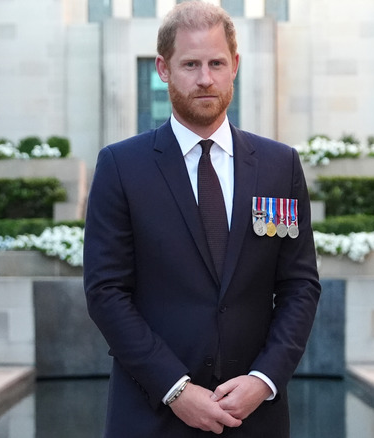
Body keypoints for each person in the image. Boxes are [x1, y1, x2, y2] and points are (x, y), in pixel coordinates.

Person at [83, 1, 320, 436]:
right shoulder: (121, 166)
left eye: (216, 63)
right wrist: (175, 389)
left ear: (236, 66)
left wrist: (263, 380)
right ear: (163, 68)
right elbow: (106, 292)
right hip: (151, 414)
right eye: (190, 64)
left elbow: (299, 286)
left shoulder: (279, 165)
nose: (205, 78)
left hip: (253, 416)